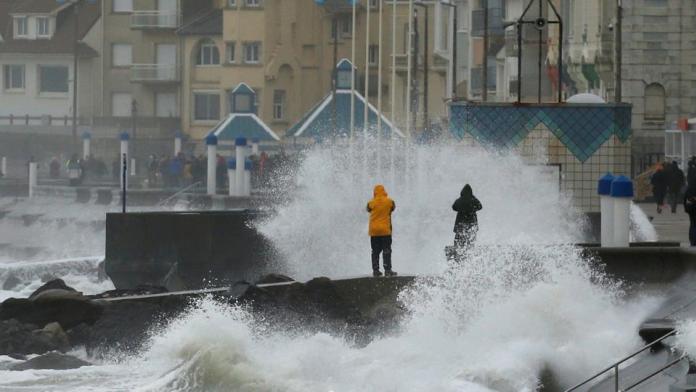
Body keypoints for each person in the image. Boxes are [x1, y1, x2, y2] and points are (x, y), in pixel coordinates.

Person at [366, 184, 396, 277]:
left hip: (374, 231)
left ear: (374, 192)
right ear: (384, 191)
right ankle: (387, 270)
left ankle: (376, 270)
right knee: (386, 250)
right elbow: (393, 208)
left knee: (375, 251)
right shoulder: (390, 201)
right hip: (385, 230)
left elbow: (368, 210)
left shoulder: (371, 202)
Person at [452, 184, 482, 250]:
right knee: (470, 237)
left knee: (459, 238)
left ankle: (457, 251)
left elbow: (454, 207)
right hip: (471, 222)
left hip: (461, 222)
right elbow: (480, 206)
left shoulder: (460, 200)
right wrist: (472, 209)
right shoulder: (473, 199)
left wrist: (462, 209)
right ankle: (469, 251)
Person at [685, 181, 696, 246]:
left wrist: (687, 209)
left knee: (693, 225)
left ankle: (693, 241)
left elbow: (686, 198)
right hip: (692, 208)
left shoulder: (691, 188)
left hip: (691, 209)